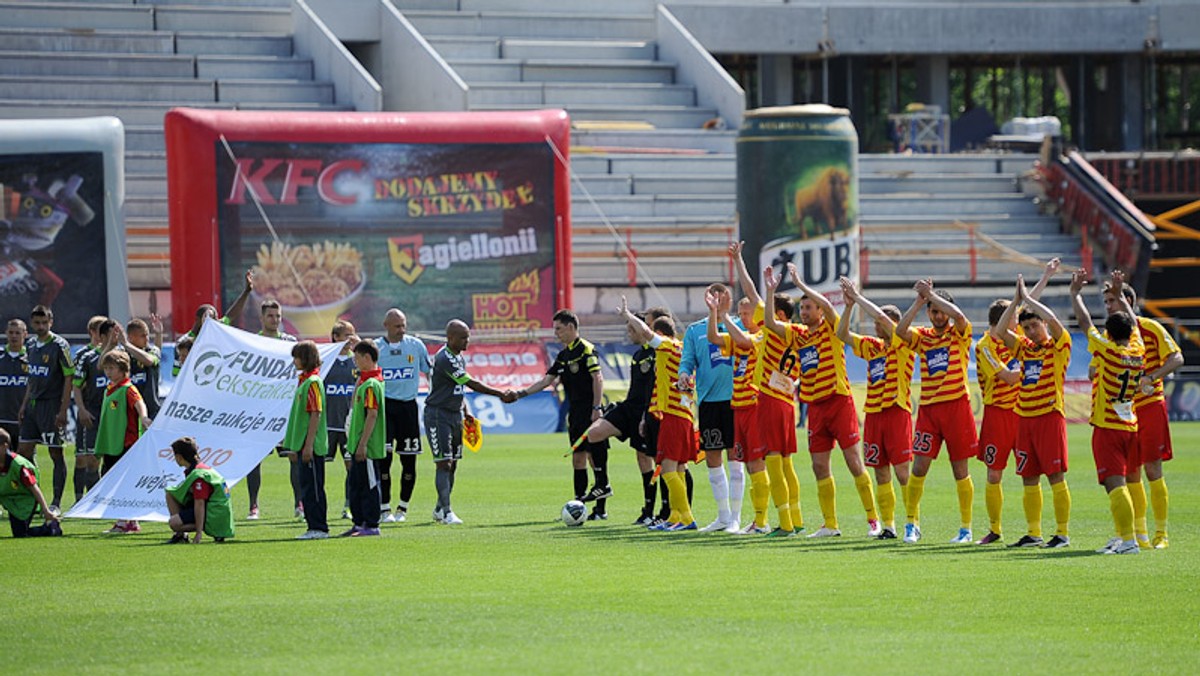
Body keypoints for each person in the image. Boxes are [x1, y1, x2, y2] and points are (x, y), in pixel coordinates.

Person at [786, 263, 877, 538]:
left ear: (819, 311)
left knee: (853, 461)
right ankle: (830, 524)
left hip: (839, 401)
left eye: (808, 308)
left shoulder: (832, 329)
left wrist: (801, 284)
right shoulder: (800, 338)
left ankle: (874, 520)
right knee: (818, 465)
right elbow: (769, 324)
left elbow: (826, 303)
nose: (803, 313)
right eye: (801, 308)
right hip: (815, 405)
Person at [974, 259, 1059, 545]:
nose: (1021, 326)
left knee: (1031, 473)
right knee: (994, 472)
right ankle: (995, 529)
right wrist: (1036, 369)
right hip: (998, 413)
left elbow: (1029, 304)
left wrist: (1045, 276)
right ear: (1004, 321)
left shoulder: (1021, 341)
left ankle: (1034, 531)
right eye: (1015, 320)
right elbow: (1010, 378)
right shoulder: (985, 345)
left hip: (1022, 412)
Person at [1103, 273, 1184, 549]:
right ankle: (1140, 535)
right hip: (1125, 410)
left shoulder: (1149, 327)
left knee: (1153, 468)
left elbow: (1177, 357)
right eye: (1105, 301)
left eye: (1112, 300)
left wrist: (1152, 377)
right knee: (1131, 473)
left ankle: (1162, 534)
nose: (1107, 306)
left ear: (1127, 301)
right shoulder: (1109, 334)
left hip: (1149, 406)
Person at [992, 275, 1073, 549]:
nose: (1030, 332)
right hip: (1024, 418)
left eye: (1034, 325)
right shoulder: (1025, 349)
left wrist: (1029, 300)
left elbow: (1055, 324)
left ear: (1043, 324)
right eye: (1026, 327)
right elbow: (1001, 333)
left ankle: (1061, 534)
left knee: (1055, 476)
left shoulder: (1058, 346)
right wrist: (1015, 302)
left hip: (1050, 418)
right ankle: (1034, 533)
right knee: (1028, 476)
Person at [893, 280, 976, 544]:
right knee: (918, 468)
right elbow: (900, 330)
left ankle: (965, 528)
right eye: (933, 311)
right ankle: (911, 524)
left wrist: (931, 295)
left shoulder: (959, 333)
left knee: (960, 470)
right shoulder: (923, 338)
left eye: (941, 311)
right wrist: (919, 301)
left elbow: (960, 317)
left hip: (957, 408)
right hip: (929, 410)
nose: (938, 316)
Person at [1070, 270, 1144, 554]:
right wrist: (1121, 297)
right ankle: (1123, 537)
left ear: (1110, 334)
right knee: (1120, 484)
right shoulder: (1137, 350)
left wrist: (1075, 294)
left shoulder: (1108, 351)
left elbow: (1084, 322)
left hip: (1108, 427)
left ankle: (1128, 541)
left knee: (1115, 485)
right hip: (1130, 425)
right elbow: (1134, 324)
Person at [837, 277, 914, 540]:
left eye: (879, 322)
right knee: (880, 470)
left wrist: (858, 297)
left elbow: (881, 314)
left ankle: (912, 523)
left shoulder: (903, 344)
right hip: (874, 412)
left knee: (903, 472)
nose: (875, 324)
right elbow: (842, 335)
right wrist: (848, 306)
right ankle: (889, 526)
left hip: (896, 410)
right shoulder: (873, 347)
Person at [581, 306, 670, 526]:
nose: (628, 333)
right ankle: (603, 484)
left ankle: (651, 510)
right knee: (594, 433)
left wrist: (647, 415)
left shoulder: (658, 352)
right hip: (629, 407)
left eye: (631, 328)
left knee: (645, 458)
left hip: (647, 411)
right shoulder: (638, 354)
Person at [615, 297, 698, 532]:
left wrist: (628, 315)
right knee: (678, 468)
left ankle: (687, 518)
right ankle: (674, 517)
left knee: (669, 468)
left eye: (652, 331)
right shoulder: (680, 350)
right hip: (680, 413)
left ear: (659, 332)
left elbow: (646, 333)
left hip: (674, 414)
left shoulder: (669, 346)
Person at [518, 310, 610, 521]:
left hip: (591, 412)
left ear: (570, 327)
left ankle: (600, 509)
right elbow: (546, 381)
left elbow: (598, 378)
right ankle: (579, 505)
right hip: (575, 414)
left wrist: (597, 409)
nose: (556, 333)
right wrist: (520, 394)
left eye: (558, 328)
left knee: (595, 457)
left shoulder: (586, 349)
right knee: (578, 459)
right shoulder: (563, 355)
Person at [426, 320, 513, 525]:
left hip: (455, 414)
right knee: (443, 463)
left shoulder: (458, 357)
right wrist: (499, 394)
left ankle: (439, 508)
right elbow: (470, 383)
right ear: (451, 338)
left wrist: (465, 411)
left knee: (453, 463)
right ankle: (448, 513)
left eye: (468, 336)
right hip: (438, 415)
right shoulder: (444, 358)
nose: (467, 341)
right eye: (463, 337)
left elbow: (458, 389)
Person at [679, 281, 742, 532]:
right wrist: (684, 374)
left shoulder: (738, 326)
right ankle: (723, 516)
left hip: (737, 400)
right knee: (713, 459)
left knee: (736, 456)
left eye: (722, 294)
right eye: (712, 294)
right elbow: (687, 361)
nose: (717, 298)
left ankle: (736, 518)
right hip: (708, 402)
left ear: (729, 298)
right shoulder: (695, 331)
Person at [757, 266, 807, 537]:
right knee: (787, 464)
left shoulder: (780, 330)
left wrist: (769, 289)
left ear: (778, 314)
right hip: (787, 401)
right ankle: (796, 520)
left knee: (774, 462)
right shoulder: (801, 333)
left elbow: (769, 322)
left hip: (771, 399)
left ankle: (785, 523)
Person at [17, 304, 74, 516]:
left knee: (55, 452)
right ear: (32, 323)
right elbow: (32, 379)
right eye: (37, 323)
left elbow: (69, 377)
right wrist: (24, 405)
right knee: (23, 452)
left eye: (44, 322)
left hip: (51, 406)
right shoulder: (31, 344)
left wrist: (63, 410)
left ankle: (56, 502)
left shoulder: (60, 345)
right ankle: (31, 498)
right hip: (32, 406)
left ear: (51, 322)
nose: (40, 326)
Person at [375, 308, 431, 523]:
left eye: (403, 325)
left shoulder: (415, 346)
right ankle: (384, 508)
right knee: (384, 460)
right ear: (386, 326)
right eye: (397, 326)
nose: (401, 330)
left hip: (408, 407)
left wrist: (433, 397)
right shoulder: (377, 347)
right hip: (385, 408)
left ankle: (403, 509)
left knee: (409, 461)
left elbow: (429, 370)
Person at [96, 350, 152, 534]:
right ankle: (128, 521)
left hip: (126, 444)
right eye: (106, 368)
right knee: (115, 482)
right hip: (112, 444)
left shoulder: (128, 389)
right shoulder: (110, 389)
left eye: (112, 368)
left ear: (123, 369)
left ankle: (125, 521)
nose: (108, 372)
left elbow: (139, 403)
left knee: (123, 482)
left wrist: (144, 418)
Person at [284, 340, 329, 540]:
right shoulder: (304, 381)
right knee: (307, 487)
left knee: (314, 488)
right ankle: (313, 526)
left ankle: (319, 527)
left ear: (305, 358)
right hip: (302, 444)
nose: (294, 361)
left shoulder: (312, 383)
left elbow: (315, 414)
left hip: (310, 445)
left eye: (297, 357)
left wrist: (309, 444)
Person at [171, 269, 252, 377]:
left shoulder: (216, 329)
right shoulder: (184, 341)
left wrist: (247, 291)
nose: (212, 321)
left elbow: (232, 314)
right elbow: (176, 374)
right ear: (198, 320)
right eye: (207, 317)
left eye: (214, 318)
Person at [342, 340, 386, 537]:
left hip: (365, 447)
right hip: (356, 445)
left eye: (357, 358)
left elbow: (372, 415)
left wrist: (363, 444)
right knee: (356, 485)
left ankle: (372, 524)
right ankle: (359, 523)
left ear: (367, 358)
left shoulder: (371, 385)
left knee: (369, 485)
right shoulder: (365, 381)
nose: (355, 362)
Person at [71, 316, 114, 504]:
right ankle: (83, 500)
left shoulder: (121, 355)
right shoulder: (85, 356)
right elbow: (77, 385)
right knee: (85, 459)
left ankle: (104, 500)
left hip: (113, 414)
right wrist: (81, 408)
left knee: (110, 459)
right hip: (92, 412)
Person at [165, 436, 234, 544]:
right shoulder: (197, 469)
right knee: (171, 494)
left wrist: (198, 533)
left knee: (174, 523)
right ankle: (181, 536)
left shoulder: (199, 476)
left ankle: (205, 527)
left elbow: (200, 503)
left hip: (214, 513)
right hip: (216, 510)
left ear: (178, 457)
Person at [0, 428, 62, 537]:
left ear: (5, 446)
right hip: (8, 498)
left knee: (21, 534)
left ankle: (50, 528)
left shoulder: (18, 465)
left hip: (25, 499)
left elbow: (34, 488)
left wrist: (46, 511)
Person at [326, 321, 358, 520]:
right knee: (317, 466)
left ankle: (349, 505)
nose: (350, 340)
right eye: (346, 335)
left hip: (348, 425)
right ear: (335, 337)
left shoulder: (357, 362)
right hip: (326, 424)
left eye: (352, 335)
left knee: (351, 467)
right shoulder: (326, 360)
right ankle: (306, 506)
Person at [123, 318, 162, 420]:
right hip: (129, 411)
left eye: (147, 335)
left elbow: (148, 361)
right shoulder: (122, 354)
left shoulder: (153, 351)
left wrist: (159, 334)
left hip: (151, 411)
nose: (147, 338)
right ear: (131, 337)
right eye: (143, 336)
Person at [0, 319, 28, 454]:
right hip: (1, 418)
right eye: (11, 332)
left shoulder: (32, 359)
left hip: (23, 420)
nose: (14, 336)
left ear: (25, 334)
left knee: (24, 459)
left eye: (17, 333)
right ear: (6, 333)